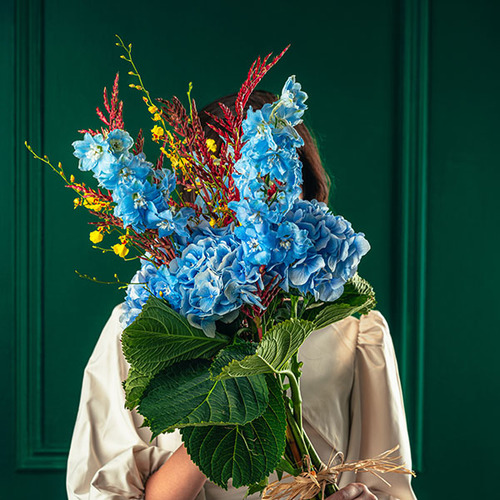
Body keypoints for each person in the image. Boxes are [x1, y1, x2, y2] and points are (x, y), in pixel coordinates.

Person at [66, 91, 417, 500]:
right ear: (192, 205)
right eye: (229, 188)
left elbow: (389, 488)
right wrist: (229, 394)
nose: (254, 209)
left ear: (306, 192)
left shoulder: (356, 331)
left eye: (278, 185)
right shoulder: (140, 328)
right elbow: (102, 492)